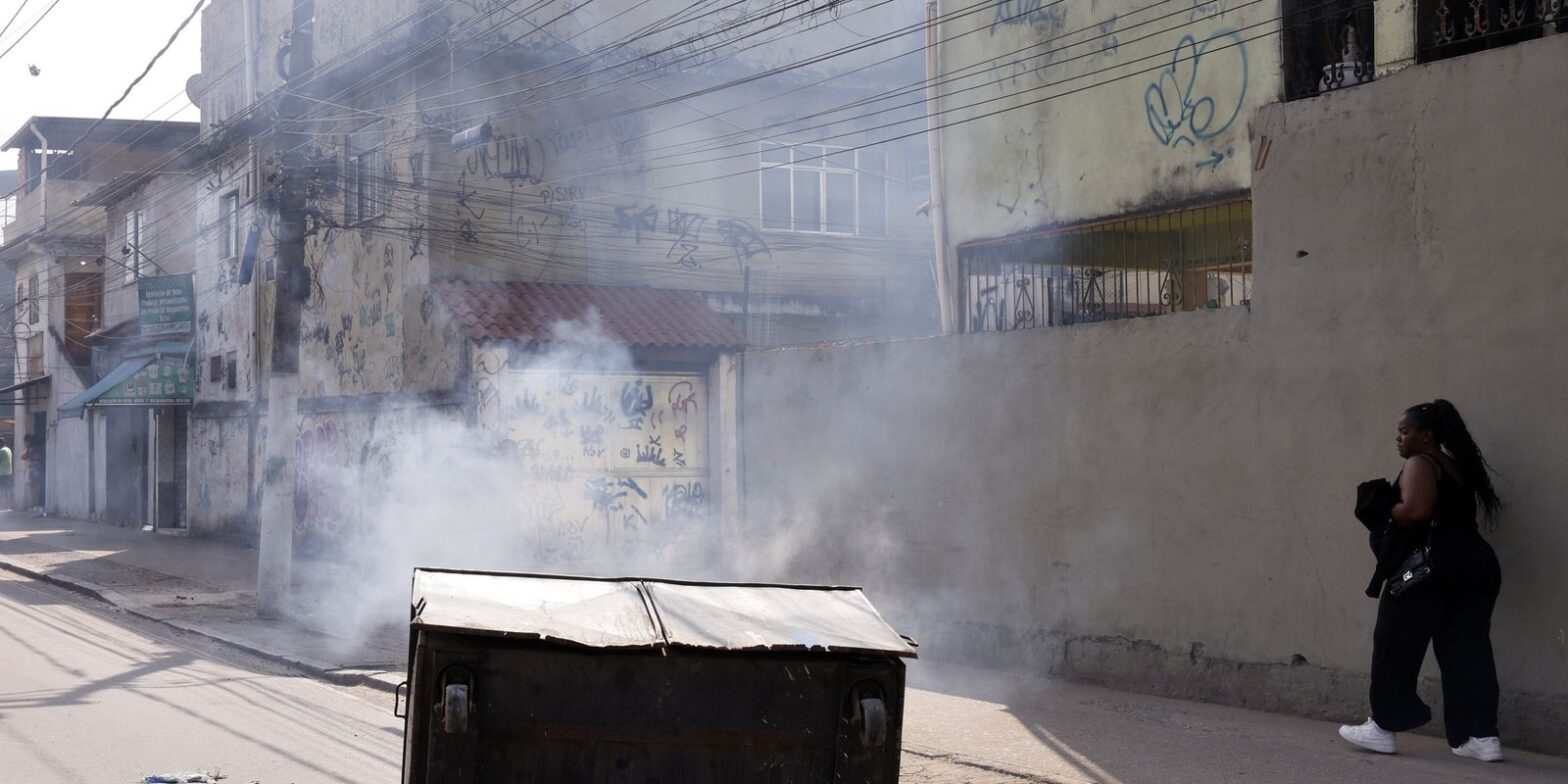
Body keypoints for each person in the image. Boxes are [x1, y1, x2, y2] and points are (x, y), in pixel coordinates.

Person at [1339, 400, 1504, 761]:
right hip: (1476, 565)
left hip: (1430, 570)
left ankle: (1382, 727)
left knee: (1394, 642)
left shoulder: (1421, 463)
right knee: (1467, 649)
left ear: (1426, 435)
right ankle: (1481, 737)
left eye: (1404, 431)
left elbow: (1415, 511)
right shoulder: (1456, 467)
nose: (1398, 438)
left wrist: (1382, 508)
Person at [21, 434, 44, 516]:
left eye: (26, 442)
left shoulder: (34, 448)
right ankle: (35, 501)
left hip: (35, 467)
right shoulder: (31, 448)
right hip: (34, 467)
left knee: (35, 486)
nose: (25, 444)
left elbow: (25, 456)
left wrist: (27, 453)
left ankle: (37, 502)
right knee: (33, 485)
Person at [0, 437, 11, 510]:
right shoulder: (9, 450)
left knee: (2, 489)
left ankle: (2, 505)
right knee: (7, 489)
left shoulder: (2, 451)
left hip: (2, 473)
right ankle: (7, 505)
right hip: (9, 472)